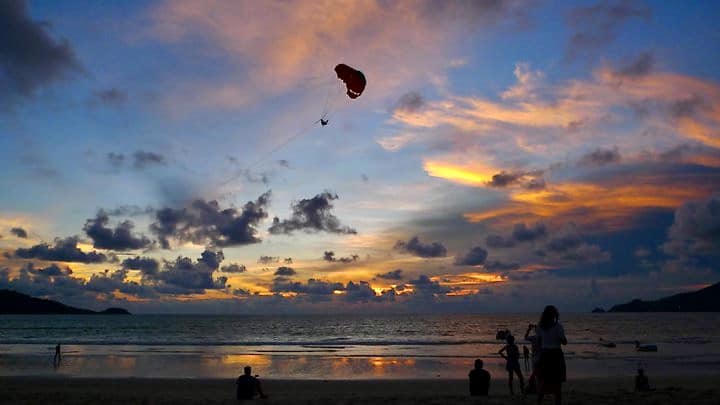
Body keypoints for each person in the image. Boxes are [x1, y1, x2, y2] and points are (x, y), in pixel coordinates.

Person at [536, 305, 567, 405]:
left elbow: (539, 342)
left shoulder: (540, 326)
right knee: (557, 384)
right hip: (556, 355)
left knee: (543, 381)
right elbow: (564, 342)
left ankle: (539, 402)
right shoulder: (558, 326)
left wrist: (538, 356)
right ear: (554, 314)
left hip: (544, 355)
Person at [524, 324, 541, 394]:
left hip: (535, 357)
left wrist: (529, 329)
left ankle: (536, 388)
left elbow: (525, 337)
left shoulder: (534, 337)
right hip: (541, 357)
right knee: (539, 374)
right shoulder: (542, 337)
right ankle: (538, 388)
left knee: (535, 373)